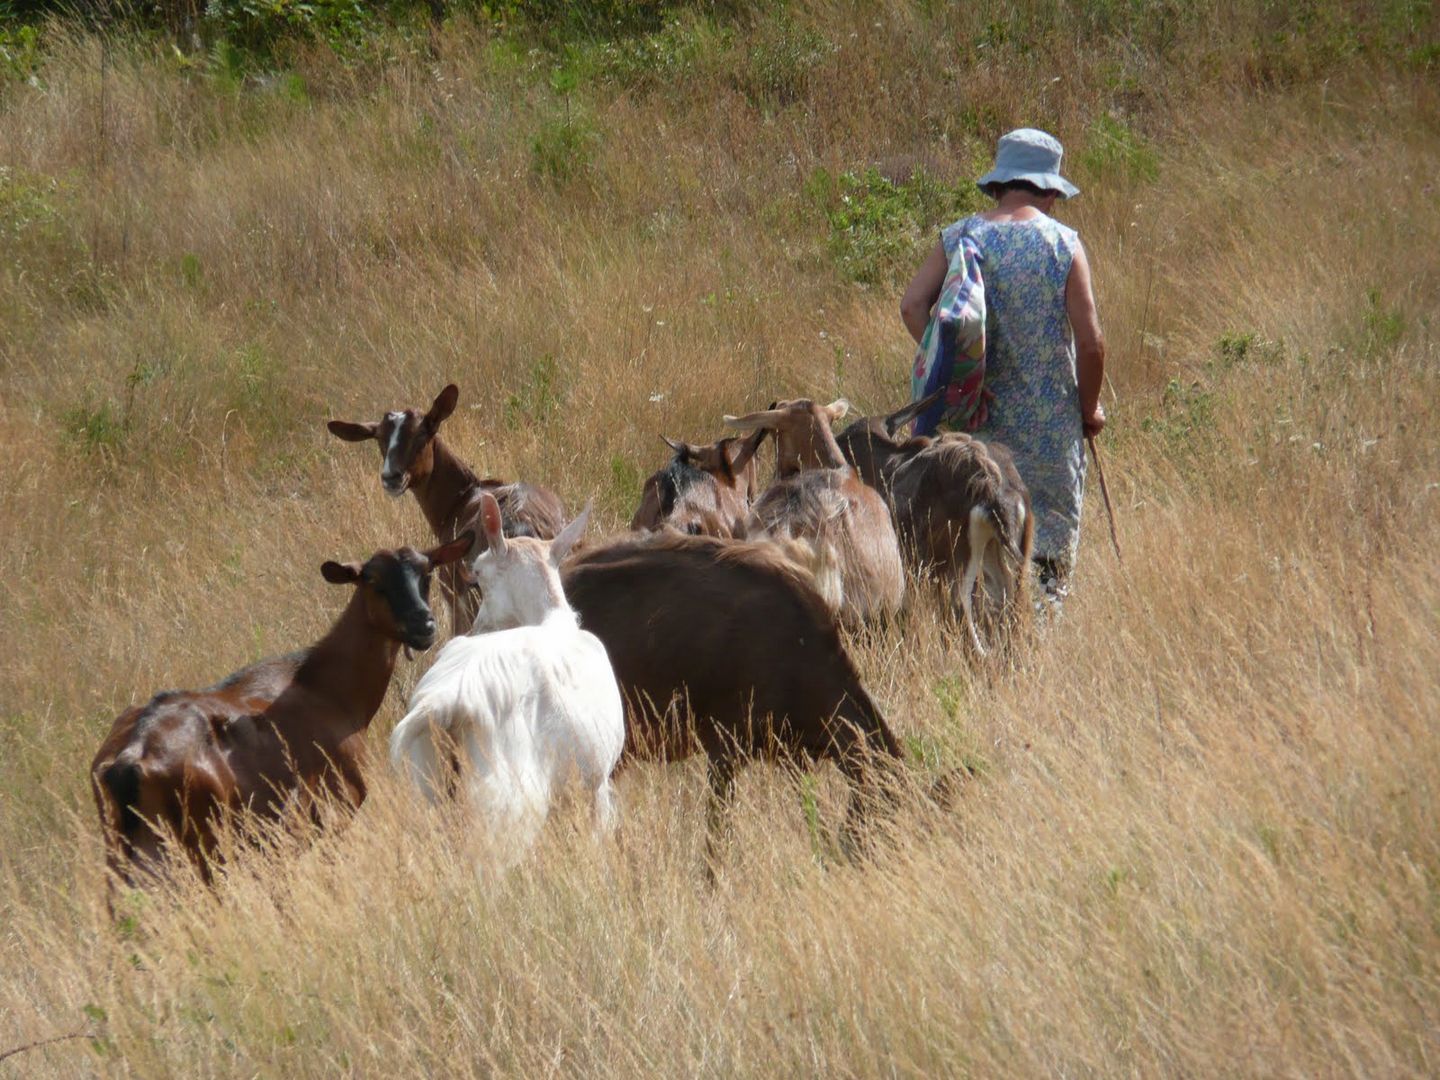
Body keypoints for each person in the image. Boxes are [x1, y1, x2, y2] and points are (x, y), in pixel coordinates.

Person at [900, 127, 1106, 610]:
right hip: (1050, 434)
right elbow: (1092, 343)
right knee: (1046, 570)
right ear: (1051, 188)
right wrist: (1088, 408)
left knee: (977, 569)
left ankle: (981, 663)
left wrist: (960, 375)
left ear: (999, 182)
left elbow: (913, 306)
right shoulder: (1063, 245)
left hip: (974, 433)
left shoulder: (961, 237)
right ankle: (1035, 662)